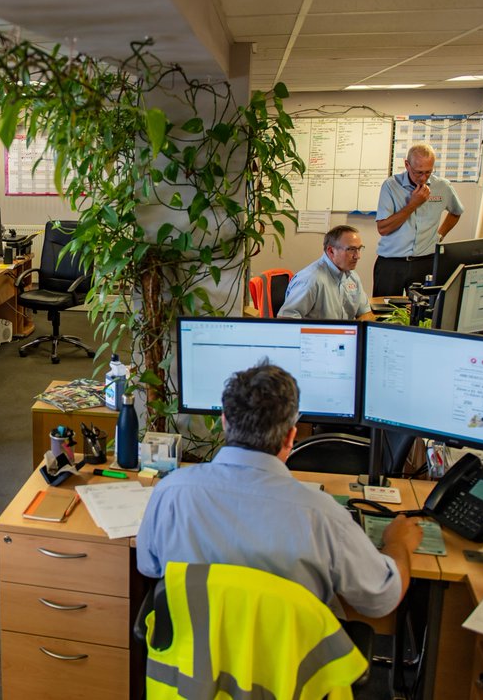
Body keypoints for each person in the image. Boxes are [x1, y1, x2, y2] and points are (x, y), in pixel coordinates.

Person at [136, 361, 422, 619]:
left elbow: (149, 566)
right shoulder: (322, 515)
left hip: (193, 670)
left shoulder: (171, 492)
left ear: (224, 422)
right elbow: (381, 600)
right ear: (291, 436)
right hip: (289, 673)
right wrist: (398, 543)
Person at [374, 143, 464, 296]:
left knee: (423, 314)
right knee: (384, 314)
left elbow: (456, 212)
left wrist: (440, 235)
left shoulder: (443, 186)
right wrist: (413, 204)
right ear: (407, 165)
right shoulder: (390, 186)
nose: (423, 178)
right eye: (418, 172)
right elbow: (383, 228)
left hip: (425, 262)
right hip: (391, 262)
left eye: (428, 172)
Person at [278, 225, 375, 321]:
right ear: (331, 251)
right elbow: (286, 320)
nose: (358, 256)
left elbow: (365, 313)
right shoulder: (310, 280)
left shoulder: (352, 276)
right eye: (351, 249)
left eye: (359, 249)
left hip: (345, 334)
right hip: (318, 336)